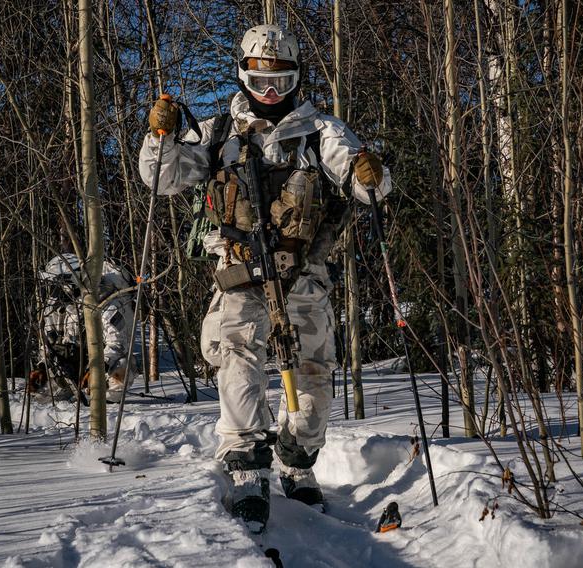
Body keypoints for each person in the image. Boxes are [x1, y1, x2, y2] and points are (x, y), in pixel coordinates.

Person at [138, 24, 390, 533]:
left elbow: (373, 191)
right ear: (243, 74)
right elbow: (161, 177)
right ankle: (246, 466)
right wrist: (159, 135)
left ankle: (297, 459)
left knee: (315, 375)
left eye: (280, 80)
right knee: (239, 359)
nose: (269, 92)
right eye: (259, 79)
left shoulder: (322, 133)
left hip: (304, 272)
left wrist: (371, 175)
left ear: (296, 80)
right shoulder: (217, 133)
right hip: (239, 268)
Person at [29, 253, 136, 404]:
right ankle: (67, 392)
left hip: (98, 365)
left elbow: (118, 344)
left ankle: (104, 403)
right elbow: (48, 340)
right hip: (69, 366)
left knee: (122, 367)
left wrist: (97, 369)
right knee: (41, 397)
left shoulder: (107, 304)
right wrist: (42, 365)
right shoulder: (56, 306)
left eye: (57, 283)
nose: (53, 289)